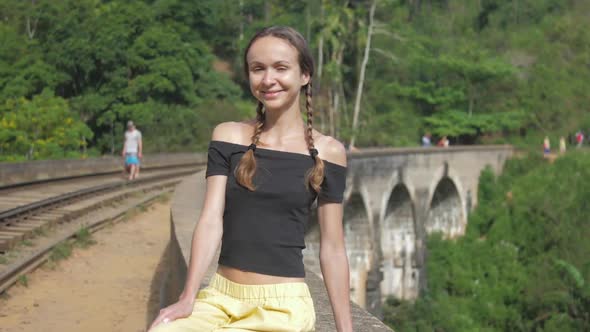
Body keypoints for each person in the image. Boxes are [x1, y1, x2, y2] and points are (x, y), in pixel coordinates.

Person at [148, 26, 353, 332]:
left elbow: (333, 248)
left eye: (281, 68)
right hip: (220, 297)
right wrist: (189, 295)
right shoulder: (228, 136)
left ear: (305, 75)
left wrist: (345, 329)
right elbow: (210, 219)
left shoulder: (328, 152)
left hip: (282, 307)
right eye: (258, 69)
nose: (268, 79)